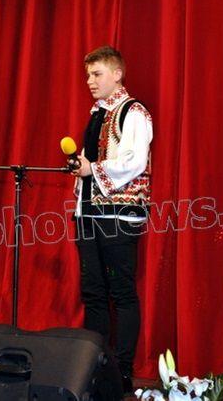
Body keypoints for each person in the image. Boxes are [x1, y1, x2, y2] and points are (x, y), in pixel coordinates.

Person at [70, 45, 153, 394]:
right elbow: (92, 162)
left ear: (117, 74)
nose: (90, 81)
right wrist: (81, 169)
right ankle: (94, 367)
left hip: (119, 216)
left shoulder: (134, 112)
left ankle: (122, 370)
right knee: (93, 292)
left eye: (97, 74)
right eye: (88, 75)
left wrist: (93, 169)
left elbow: (135, 161)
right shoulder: (97, 114)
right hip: (89, 213)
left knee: (121, 292)